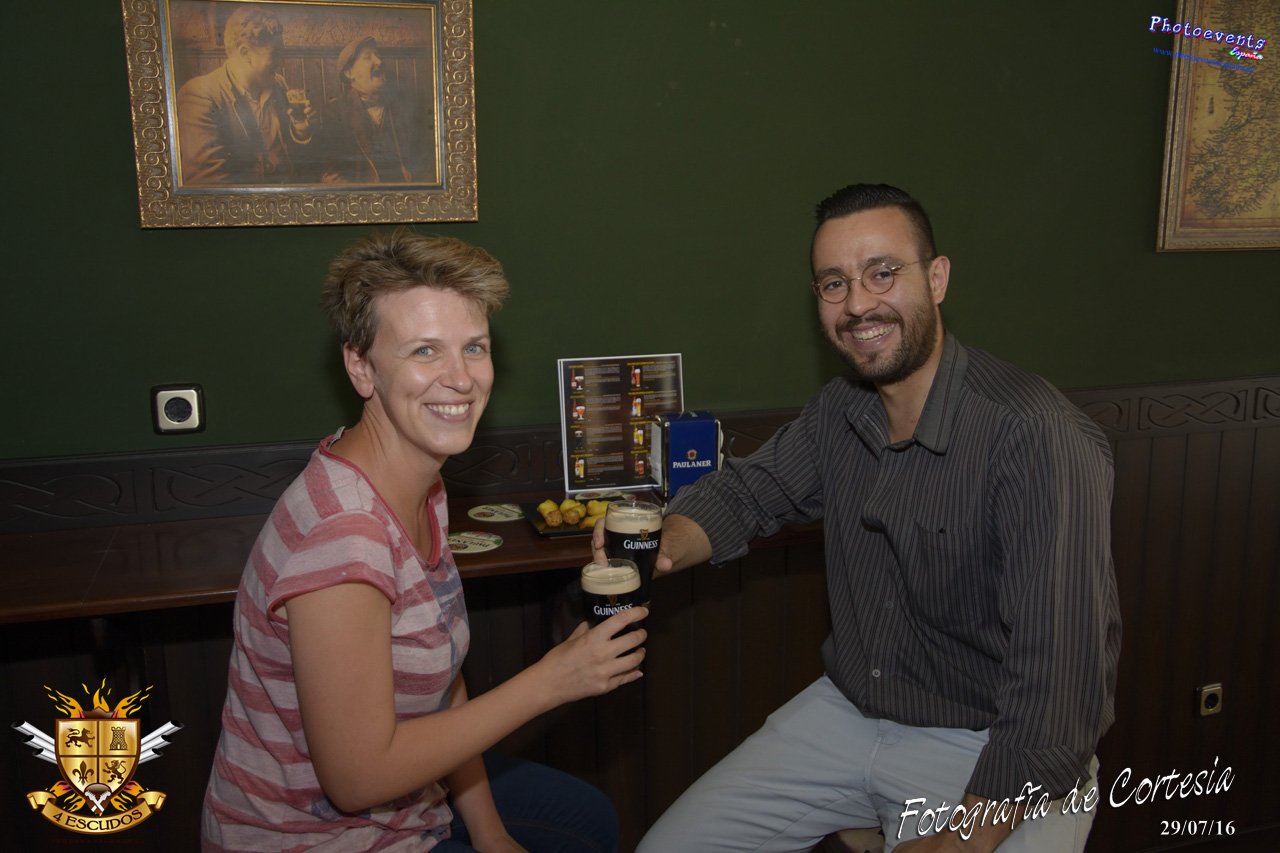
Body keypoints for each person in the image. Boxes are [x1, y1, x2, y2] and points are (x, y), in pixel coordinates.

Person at [605, 184, 1121, 852]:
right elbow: (749, 492)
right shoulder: (841, 407)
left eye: (882, 273)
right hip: (849, 711)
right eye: (833, 283)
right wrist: (659, 546)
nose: (856, 305)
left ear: (937, 278)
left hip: (995, 745)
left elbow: (1060, 685)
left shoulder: (1036, 435)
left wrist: (956, 843)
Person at [202, 230, 646, 851]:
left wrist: (492, 836)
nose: (460, 379)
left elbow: (442, 683)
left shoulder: (418, 483)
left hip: (412, 805)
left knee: (588, 818)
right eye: (424, 351)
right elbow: (357, 780)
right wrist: (552, 680)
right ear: (361, 367)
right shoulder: (345, 536)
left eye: (474, 348)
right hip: (316, 837)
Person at [176, 5, 317, 185]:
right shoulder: (199, 95)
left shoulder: (278, 85)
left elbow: (293, 154)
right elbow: (209, 182)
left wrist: (301, 131)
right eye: (275, 54)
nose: (281, 63)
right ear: (245, 53)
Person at [319, 36, 435, 184]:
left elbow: (425, 161)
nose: (379, 61)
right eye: (368, 58)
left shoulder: (406, 104)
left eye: (378, 56)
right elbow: (331, 170)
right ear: (349, 73)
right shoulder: (335, 112)